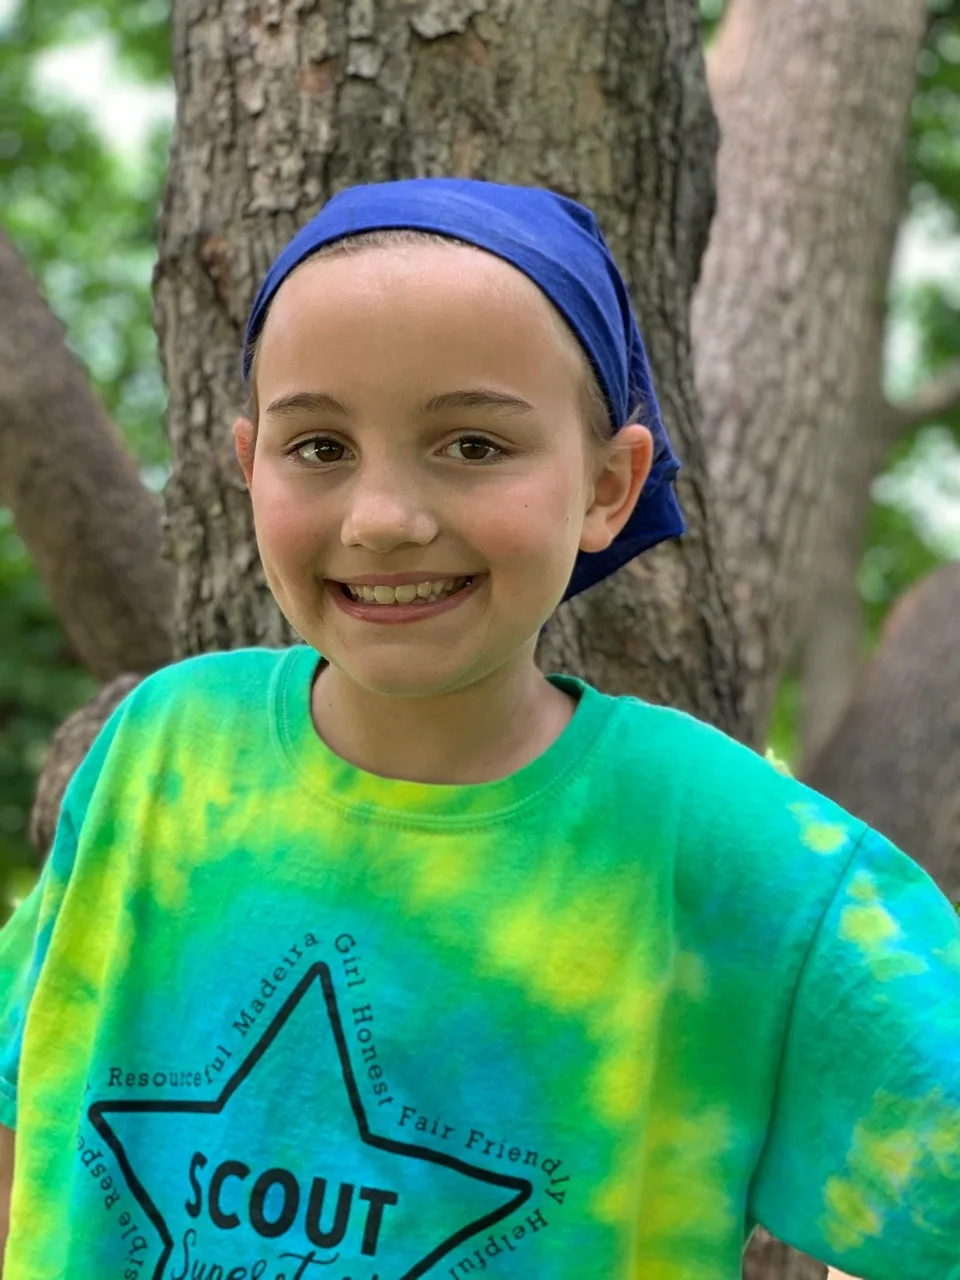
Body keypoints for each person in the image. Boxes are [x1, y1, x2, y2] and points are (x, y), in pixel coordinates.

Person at [0, 177, 956, 1280]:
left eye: (472, 445)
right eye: (319, 447)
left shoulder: (731, 852)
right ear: (248, 464)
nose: (385, 518)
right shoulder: (165, 748)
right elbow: (31, 1103)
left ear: (608, 485)